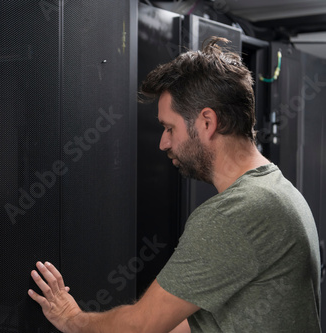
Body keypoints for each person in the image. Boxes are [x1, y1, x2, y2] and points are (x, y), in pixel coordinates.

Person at [28, 37, 321, 333]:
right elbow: (207, 323)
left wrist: (73, 319)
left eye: (170, 128)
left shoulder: (235, 213)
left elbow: (141, 327)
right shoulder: (279, 190)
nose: (163, 143)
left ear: (207, 122)